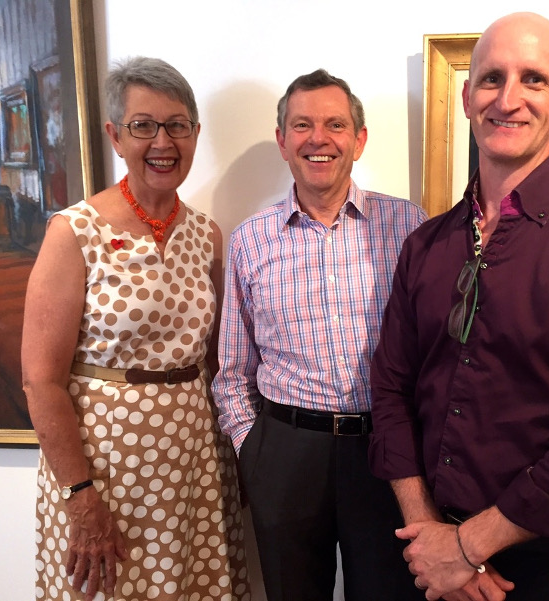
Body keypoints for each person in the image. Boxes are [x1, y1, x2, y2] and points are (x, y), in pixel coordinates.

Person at [369, 12, 549, 601]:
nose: (508, 98)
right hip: (424, 555)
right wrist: (431, 535)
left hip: (542, 567)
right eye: (491, 78)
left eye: (533, 79)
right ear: (465, 96)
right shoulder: (425, 244)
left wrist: (469, 546)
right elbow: (391, 391)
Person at [22, 56, 250, 601]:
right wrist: (80, 495)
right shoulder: (74, 231)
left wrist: (237, 462)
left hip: (195, 468)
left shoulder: (206, 235)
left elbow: (218, 361)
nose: (162, 142)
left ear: (195, 134)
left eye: (177, 125)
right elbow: (41, 381)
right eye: (143, 125)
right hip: (104, 473)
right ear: (115, 136)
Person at [212, 68, 428, 601]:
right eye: (301, 124)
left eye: (335, 123)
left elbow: (431, 353)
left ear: (359, 139)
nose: (318, 138)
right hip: (285, 451)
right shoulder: (249, 241)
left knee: (390, 593)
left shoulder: (409, 227)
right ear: (283, 141)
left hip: (386, 452)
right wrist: (253, 451)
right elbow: (232, 369)